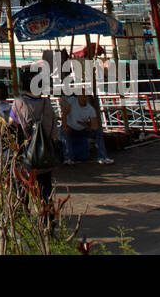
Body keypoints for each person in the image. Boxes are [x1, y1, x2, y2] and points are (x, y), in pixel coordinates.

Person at [8, 65, 60, 229]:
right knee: (45, 192)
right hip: (45, 156)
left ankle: (24, 226)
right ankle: (48, 226)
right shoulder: (47, 104)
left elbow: (11, 128)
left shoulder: (18, 103)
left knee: (22, 192)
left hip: (25, 157)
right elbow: (54, 131)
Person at [62, 91, 114, 165]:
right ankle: (68, 158)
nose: (83, 99)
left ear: (87, 98)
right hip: (71, 128)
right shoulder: (72, 100)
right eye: (81, 96)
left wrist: (86, 124)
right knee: (64, 133)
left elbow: (94, 126)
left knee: (98, 133)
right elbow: (64, 114)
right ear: (78, 97)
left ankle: (103, 157)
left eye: (85, 97)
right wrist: (64, 126)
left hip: (83, 129)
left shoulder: (91, 109)